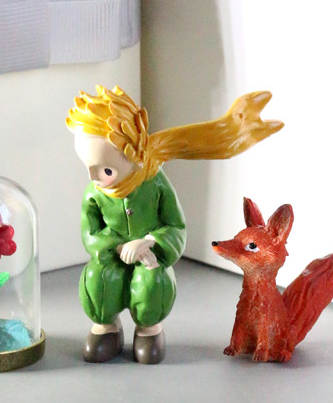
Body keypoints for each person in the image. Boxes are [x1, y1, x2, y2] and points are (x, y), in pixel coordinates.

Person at [66, 85, 283, 364]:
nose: (94, 178)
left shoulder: (154, 184)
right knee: (99, 279)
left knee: (151, 281)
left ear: (133, 157)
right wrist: (117, 246)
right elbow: (90, 233)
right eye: (88, 168)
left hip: (149, 257)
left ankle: (148, 329)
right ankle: (106, 327)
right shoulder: (95, 194)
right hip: (111, 259)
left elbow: (175, 227)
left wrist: (150, 242)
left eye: (106, 170)